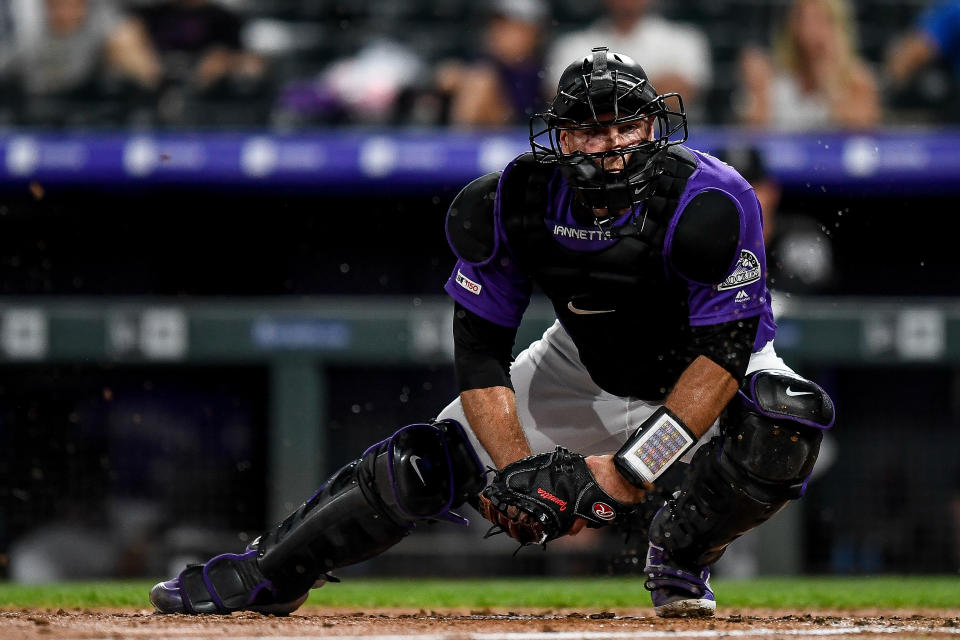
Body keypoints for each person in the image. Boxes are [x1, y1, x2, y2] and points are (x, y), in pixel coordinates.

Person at [149, 47, 835, 619]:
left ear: (655, 127)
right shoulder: (511, 199)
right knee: (421, 462)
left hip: (700, 372)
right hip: (580, 365)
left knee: (785, 422)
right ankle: (268, 572)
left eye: (629, 126)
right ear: (560, 137)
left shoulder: (713, 201)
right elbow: (479, 351)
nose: (614, 145)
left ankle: (681, 553)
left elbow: (720, 360)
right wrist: (515, 476)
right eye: (593, 130)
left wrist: (630, 474)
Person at [546, 0, 711, 117]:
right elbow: (561, 100)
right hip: (593, 142)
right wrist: (650, 88)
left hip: (668, 139)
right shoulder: (571, 45)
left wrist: (599, 91)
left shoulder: (684, 39)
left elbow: (678, 95)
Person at [737, 0, 880, 131]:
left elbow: (862, 133)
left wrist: (829, 81)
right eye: (802, 18)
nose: (810, 29)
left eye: (819, 19)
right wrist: (760, 94)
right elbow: (753, 136)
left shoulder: (856, 79)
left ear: (837, 26)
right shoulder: (773, 76)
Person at [434, 0, 548, 127]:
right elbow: (447, 77)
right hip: (482, 132)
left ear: (533, 32)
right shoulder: (485, 60)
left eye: (509, 27)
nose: (498, 33)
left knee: (480, 82)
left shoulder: (542, 70)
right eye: (495, 26)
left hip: (520, 133)